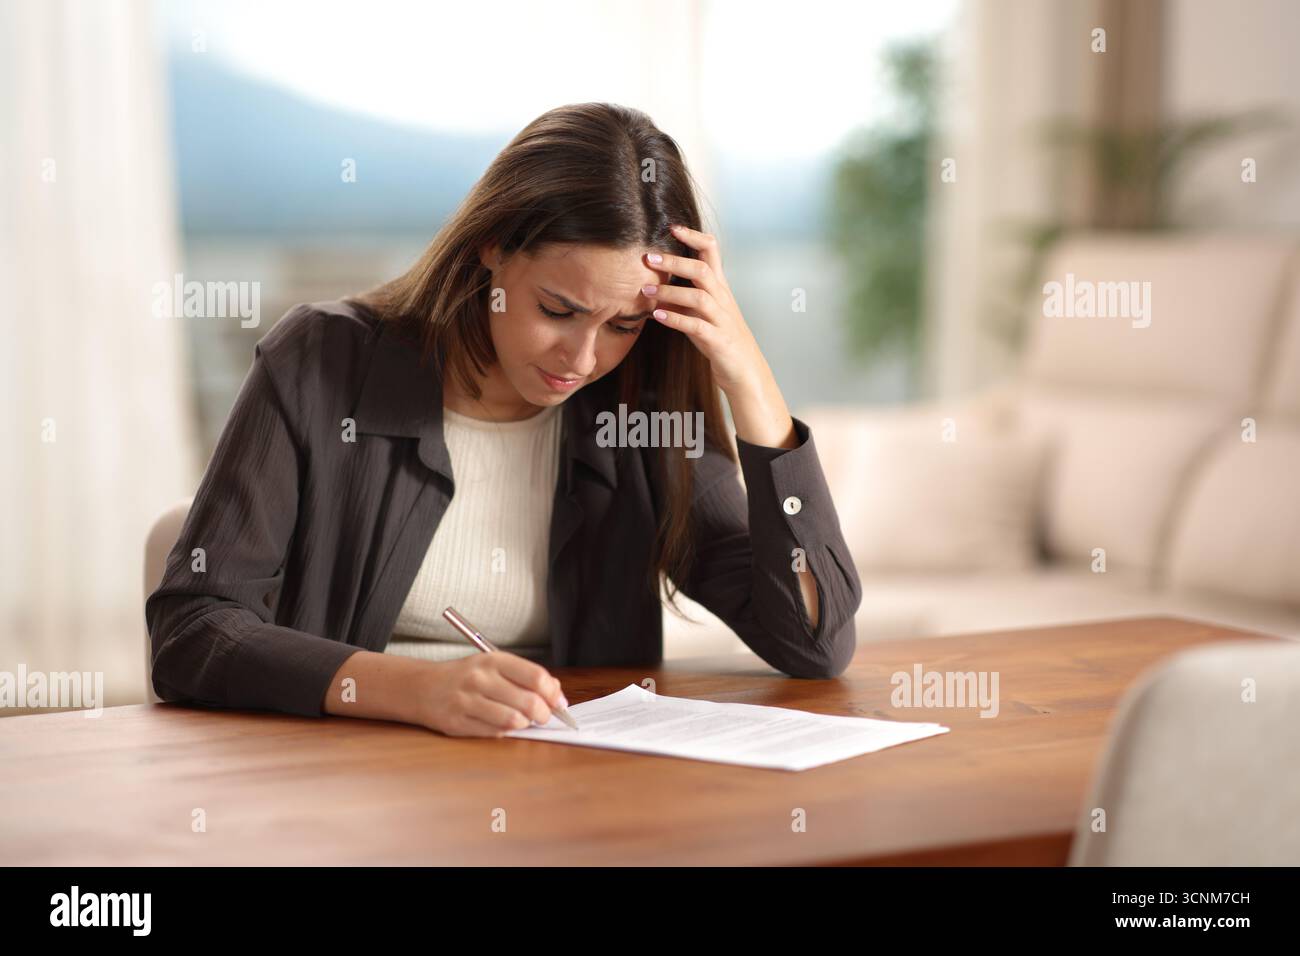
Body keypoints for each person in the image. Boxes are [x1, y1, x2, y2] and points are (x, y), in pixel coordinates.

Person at [146, 102, 862, 738]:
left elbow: (811, 642)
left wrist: (752, 385)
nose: (582, 358)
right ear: (493, 246)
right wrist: (413, 689)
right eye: (559, 310)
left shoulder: (639, 410)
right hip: (348, 792)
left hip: (572, 792)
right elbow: (194, 628)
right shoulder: (324, 363)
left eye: (625, 323)